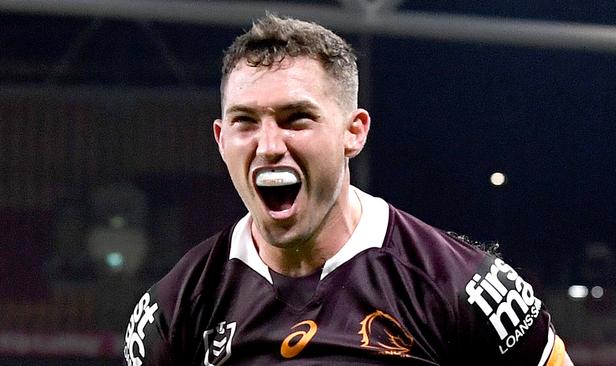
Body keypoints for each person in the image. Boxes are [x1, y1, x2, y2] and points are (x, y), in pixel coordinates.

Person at [124, 14, 574, 366]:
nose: (268, 146)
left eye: (296, 118)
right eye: (246, 122)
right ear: (222, 140)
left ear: (353, 132)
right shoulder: (176, 307)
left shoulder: (462, 287)